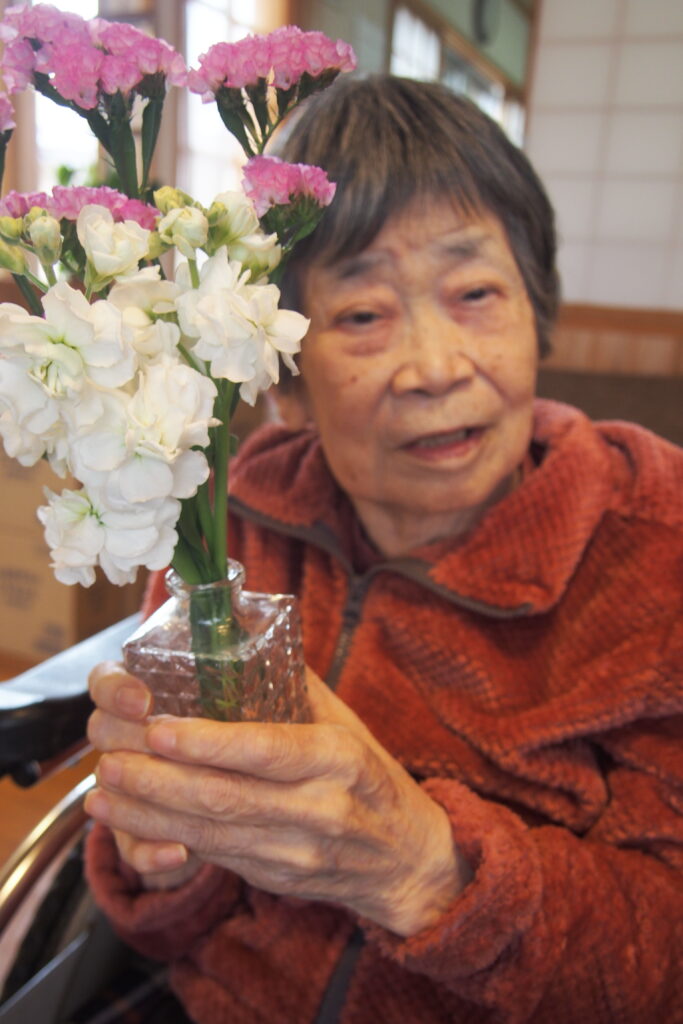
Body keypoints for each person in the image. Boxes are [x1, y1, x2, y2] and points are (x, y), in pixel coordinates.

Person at [83, 75, 683, 1023]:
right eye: (362, 315)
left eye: (474, 293)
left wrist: (421, 868)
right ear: (279, 373)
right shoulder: (224, 525)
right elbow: (166, 926)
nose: (435, 368)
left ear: (537, 311)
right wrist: (166, 854)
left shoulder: (657, 553)